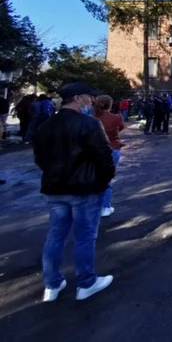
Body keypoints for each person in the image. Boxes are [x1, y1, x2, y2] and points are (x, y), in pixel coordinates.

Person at [33, 82, 115, 302]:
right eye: (89, 97)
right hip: (85, 188)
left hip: (55, 188)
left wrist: (54, 175)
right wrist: (104, 179)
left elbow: (39, 158)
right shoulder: (87, 124)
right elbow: (103, 155)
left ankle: (52, 284)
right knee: (84, 236)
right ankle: (86, 282)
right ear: (78, 98)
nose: (91, 101)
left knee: (55, 236)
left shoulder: (46, 125)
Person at [93, 95, 124, 218]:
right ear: (110, 105)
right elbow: (120, 127)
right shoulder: (116, 117)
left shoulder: (92, 118)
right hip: (112, 148)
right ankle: (105, 207)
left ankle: (95, 206)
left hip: (95, 149)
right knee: (107, 179)